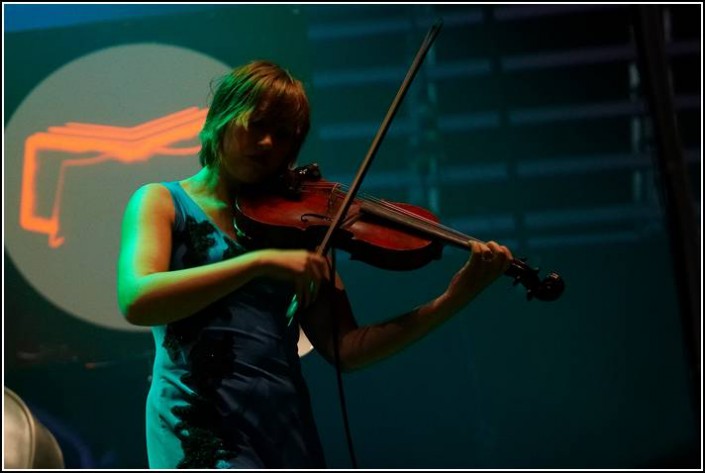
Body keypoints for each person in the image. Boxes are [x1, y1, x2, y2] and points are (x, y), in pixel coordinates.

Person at [116, 60, 512, 469]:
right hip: (198, 423)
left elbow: (348, 350)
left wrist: (452, 298)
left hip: (283, 428)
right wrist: (259, 263)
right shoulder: (161, 202)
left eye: (284, 135)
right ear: (221, 118)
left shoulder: (296, 232)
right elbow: (137, 298)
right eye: (257, 125)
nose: (268, 143)